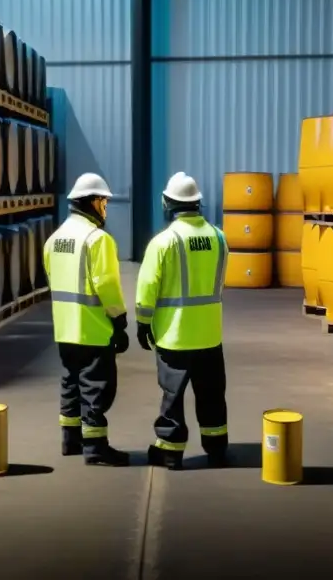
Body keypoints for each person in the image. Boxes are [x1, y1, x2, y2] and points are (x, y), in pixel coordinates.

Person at [134, 172, 230, 471]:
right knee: (212, 395)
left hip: (174, 336)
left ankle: (170, 451)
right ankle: (216, 448)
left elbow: (147, 288)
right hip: (210, 334)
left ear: (168, 204)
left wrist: (142, 322)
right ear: (197, 203)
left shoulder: (164, 242)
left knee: (172, 397)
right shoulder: (218, 237)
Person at [43, 172, 131, 467]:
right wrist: (119, 320)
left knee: (71, 383)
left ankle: (71, 440)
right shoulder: (97, 240)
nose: (105, 208)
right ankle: (96, 447)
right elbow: (106, 284)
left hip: (65, 328)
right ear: (92, 202)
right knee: (96, 388)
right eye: (104, 203)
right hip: (93, 328)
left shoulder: (55, 240)